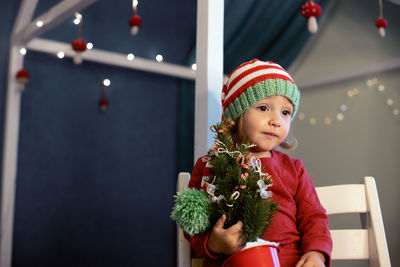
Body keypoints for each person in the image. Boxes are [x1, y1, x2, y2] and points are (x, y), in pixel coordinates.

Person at [185, 59, 332, 267]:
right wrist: (215, 243)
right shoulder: (212, 164)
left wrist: (317, 253)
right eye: (263, 108)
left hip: (289, 262)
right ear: (236, 116)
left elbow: (314, 218)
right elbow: (193, 221)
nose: (276, 120)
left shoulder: (294, 169)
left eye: (285, 112)